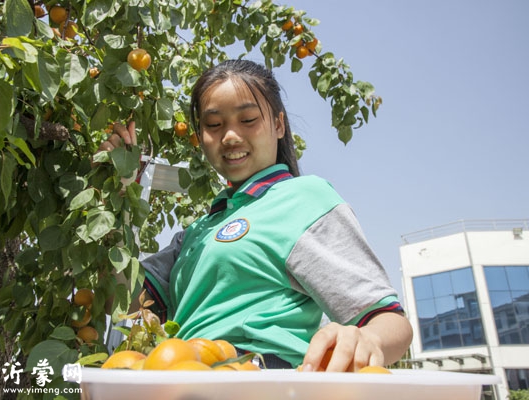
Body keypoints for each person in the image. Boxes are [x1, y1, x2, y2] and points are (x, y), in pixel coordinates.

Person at [99, 59, 412, 371]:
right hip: (186, 375)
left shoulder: (303, 199)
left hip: (260, 377)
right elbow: (122, 303)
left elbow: (388, 320)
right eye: (213, 124)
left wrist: (367, 340)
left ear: (278, 125)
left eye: (248, 119)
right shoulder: (195, 233)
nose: (231, 136)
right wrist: (120, 193)